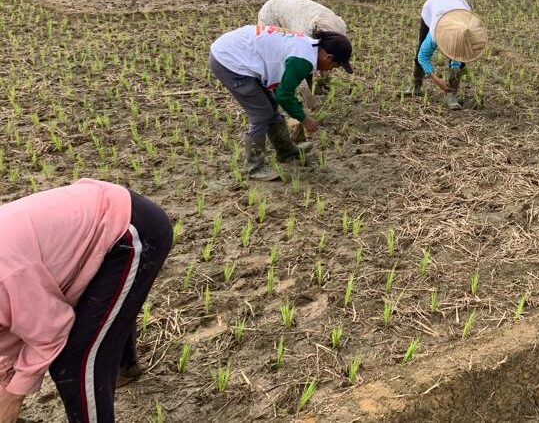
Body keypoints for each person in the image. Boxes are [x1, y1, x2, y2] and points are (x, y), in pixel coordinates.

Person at [0, 179, 172, 423]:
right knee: (95, 324)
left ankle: (116, 367)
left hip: (130, 231)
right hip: (93, 228)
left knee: (74, 361)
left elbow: (51, 329)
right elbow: (16, 326)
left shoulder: (6, 278)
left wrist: (13, 395)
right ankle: (124, 367)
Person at [210, 23, 353, 181]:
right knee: (261, 114)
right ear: (329, 57)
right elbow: (284, 95)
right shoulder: (302, 60)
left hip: (237, 51)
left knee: (271, 107)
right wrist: (304, 119)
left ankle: (286, 151)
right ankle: (255, 168)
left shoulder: (309, 47)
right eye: (336, 65)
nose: (332, 69)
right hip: (229, 61)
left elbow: (280, 90)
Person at [257, 0, 349, 141]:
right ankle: (286, 119)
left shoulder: (339, 28)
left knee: (309, 66)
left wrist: (323, 79)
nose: (333, 69)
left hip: (297, 11)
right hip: (273, 14)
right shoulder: (304, 35)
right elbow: (300, 69)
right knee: (282, 70)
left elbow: (323, 60)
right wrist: (308, 100)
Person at [400, 0, 487, 110]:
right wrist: (436, 79)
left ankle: (451, 94)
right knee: (421, 48)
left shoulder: (467, 27)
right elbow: (423, 57)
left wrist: (456, 66)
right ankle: (416, 86)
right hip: (433, 7)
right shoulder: (435, 32)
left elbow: (458, 53)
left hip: (459, 7)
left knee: (458, 62)